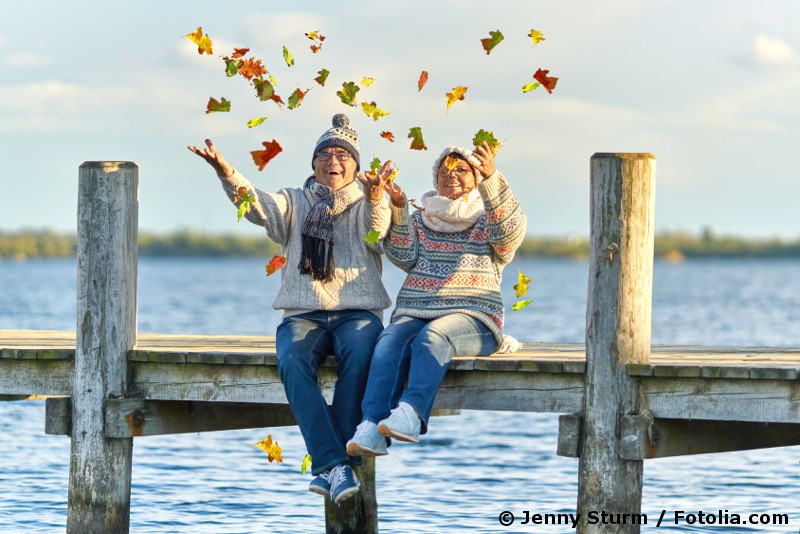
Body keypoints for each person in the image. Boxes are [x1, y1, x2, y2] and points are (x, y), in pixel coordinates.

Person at [188, 114, 395, 505]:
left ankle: (329, 465)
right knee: (292, 361)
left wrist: (374, 197)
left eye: (342, 155)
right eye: (325, 154)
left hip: (358, 313)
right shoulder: (294, 202)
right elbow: (256, 205)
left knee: (362, 355)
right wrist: (226, 172)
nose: (333, 161)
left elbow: (377, 231)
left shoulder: (369, 201)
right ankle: (337, 465)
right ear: (313, 163)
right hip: (303, 313)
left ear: (355, 165)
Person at [345, 141, 526, 456]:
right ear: (435, 179)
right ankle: (372, 426)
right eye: (443, 171)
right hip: (417, 309)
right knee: (388, 341)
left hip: (474, 317)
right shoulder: (422, 218)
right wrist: (399, 207)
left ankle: (412, 414)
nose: (451, 175)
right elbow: (402, 255)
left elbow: (509, 235)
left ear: (476, 176)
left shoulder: (489, 219)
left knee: (434, 336)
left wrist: (493, 177)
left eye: (461, 169)